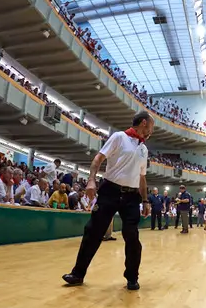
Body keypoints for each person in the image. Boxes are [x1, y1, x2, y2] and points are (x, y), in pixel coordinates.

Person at [62, 112, 154, 291]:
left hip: (131, 197)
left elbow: (142, 178)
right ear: (144, 123)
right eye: (151, 126)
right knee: (93, 232)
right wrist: (91, 180)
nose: (152, 131)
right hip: (110, 191)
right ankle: (78, 273)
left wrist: (145, 200)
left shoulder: (144, 149)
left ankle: (132, 277)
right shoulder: (119, 137)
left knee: (132, 236)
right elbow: (98, 158)